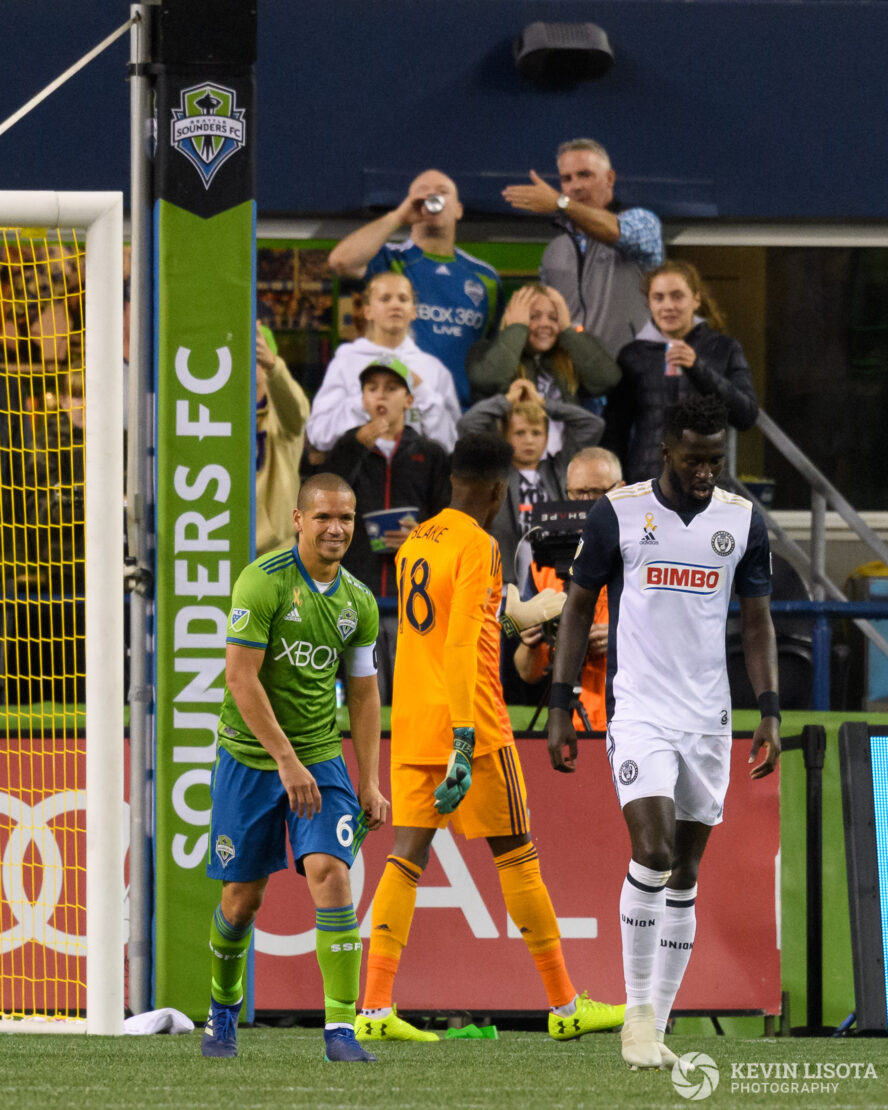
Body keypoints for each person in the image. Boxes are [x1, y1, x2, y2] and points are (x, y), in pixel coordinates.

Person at [354, 432, 624, 1046]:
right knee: (517, 855)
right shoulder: (482, 544)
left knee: (404, 858)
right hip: (470, 727)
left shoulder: (416, 540)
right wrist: (464, 736)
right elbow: (458, 646)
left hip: (414, 719)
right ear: (500, 490)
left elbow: (456, 618)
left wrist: (521, 613)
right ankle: (564, 1004)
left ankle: (373, 1007)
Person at [546, 396, 780, 1070]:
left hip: (708, 717)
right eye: (696, 457)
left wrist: (768, 707)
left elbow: (758, 620)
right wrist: (561, 705)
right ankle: (638, 1020)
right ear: (668, 451)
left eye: (717, 458)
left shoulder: (741, 521)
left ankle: (659, 1018)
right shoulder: (619, 510)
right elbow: (579, 605)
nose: (707, 470)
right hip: (640, 709)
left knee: (685, 871)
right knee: (651, 852)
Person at [201, 473, 389, 1063]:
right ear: (298, 520)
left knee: (332, 872)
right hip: (251, 758)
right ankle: (222, 1008)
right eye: (325, 517)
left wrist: (369, 781)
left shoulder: (358, 602)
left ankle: (340, 1030)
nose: (337, 529)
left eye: (347, 519)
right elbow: (240, 677)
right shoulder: (263, 582)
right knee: (242, 900)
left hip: (319, 754)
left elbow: (362, 693)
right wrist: (285, 762)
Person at [328, 169, 503, 406]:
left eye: (442, 192)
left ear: (459, 209)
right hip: (399, 414)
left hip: (463, 416)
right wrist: (398, 216)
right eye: (422, 193)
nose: (432, 197)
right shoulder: (390, 259)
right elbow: (342, 261)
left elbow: (493, 351)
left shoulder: (486, 278)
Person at [502, 138, 664, 360]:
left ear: (610, 178)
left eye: (585, 175)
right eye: (567, 179)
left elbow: (615, 231)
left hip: (634, 374)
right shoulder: (554, 251)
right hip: (573, 378)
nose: (576, 186)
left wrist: (561, 203)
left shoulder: (644, 222)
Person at [603, 259, 760, 484]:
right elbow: (615, 430)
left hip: (705, 485)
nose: (668, 306)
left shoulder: (724, 348)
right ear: (648, 302)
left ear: (696, 299)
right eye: (658, 297)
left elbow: (747, 415)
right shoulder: (633, 355)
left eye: (677, 296)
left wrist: (698, 368)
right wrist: (615, 482)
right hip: (647, 484)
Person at [513, 448, 625, 731]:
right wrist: (530, 643)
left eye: (595, 492)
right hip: (568, 724)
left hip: (631, 722)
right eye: (577, 494)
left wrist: (620, 640)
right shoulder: (545, 566)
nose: (586, 503)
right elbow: (528, 673)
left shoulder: (643, 559)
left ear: (620, 490)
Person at [457, 383, 603, 586]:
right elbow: (468, 425)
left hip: (556, 577)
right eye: (520, 433)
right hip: (504, 577)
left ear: (546, 438)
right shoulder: (492, 469)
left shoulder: (560, 468)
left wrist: (544, 403)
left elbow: (592, 424)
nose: (529, 441)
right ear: (505, 436)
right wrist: (506, 401)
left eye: (536, 433)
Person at [306, 272, 460, 454]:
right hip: (360, 475)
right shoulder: (345, 363)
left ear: (413, 311)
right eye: (385, 299)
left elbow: (452, 443)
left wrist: (424, 395)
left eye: (403, 299)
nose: (395, 305)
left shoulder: (434, 369)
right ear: (367, 311)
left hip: (416, 475)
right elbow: (319, 434)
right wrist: (365, 402)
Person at [466, 282, 620, 448]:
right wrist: (517, 329)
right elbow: (489, 380)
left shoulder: (570, 359)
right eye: (533, 316)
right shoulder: (483, 351)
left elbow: (608, 379)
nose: (545, 324)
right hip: (509, 467)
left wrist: (567, 331)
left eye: (554, 317)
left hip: (561, 467)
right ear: (514, 317)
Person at [254, 323, 311, 555]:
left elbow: (296, 413)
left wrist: (273, 367)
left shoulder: (282, 414)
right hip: (222, 543)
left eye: (255, 356)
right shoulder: (217, 415)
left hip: (275, 550)